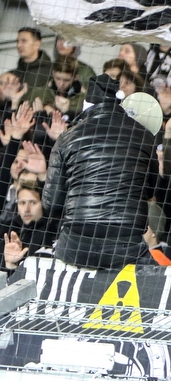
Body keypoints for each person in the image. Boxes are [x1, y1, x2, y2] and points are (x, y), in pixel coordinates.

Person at [43, 74, 157, 269]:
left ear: (87, 104)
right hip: (126, 241)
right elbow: (150, 190)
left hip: (76, 243)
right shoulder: (144, 135)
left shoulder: (67, 138)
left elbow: (52, 204)